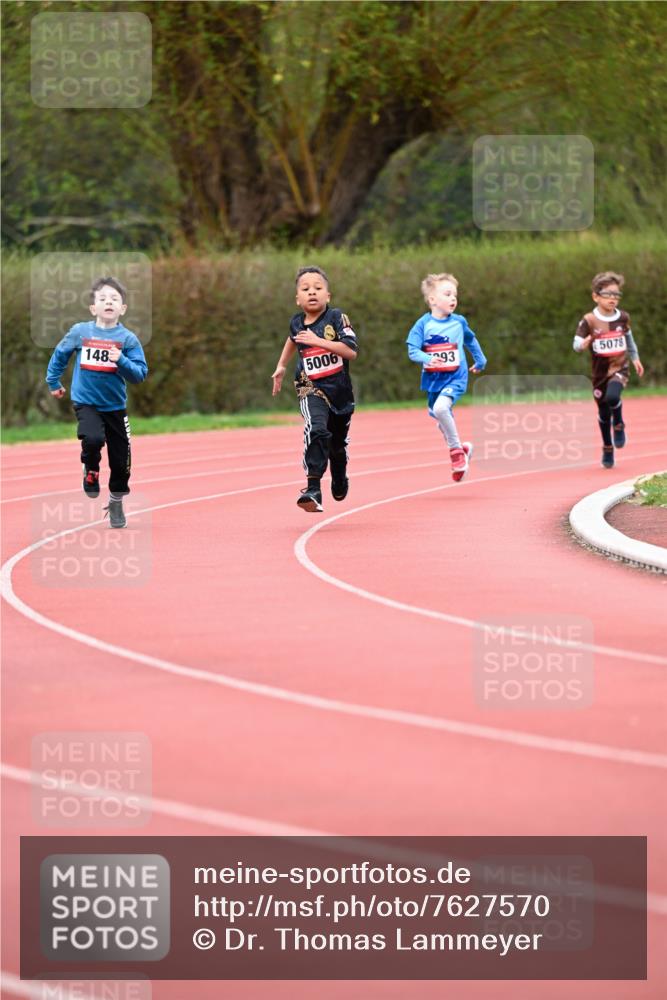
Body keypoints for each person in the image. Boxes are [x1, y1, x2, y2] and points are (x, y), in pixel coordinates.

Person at [45, 276, 148, 527]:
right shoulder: (80, 332)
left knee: (121, 462)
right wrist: (53, 381)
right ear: (94, 308)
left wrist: (120, 359)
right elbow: (60, 354)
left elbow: (139, 374)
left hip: (115, 407)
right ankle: (90, 469)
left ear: (122, 308)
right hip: (86, 402)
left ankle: (115, 502)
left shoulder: (128, 340)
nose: (108, 302)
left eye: (114, 299)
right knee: (92, 439)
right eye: (102, 299)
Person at [271, 266, 358, 512]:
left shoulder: (337, 318)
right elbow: (292, 339)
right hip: (310, 387)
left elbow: (351, 351)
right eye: (306, 289)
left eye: (318, 288)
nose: (312, 293)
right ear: (297, 298)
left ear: (328, 296)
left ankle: (339, 473)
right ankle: (312, 488)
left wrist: (319, 341)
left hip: (340, 392)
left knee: (336, 445)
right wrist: (281, 366)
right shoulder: (296, 322)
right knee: (317, 429)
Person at [406, 272, 486, 481]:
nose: (453, 298)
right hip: (433, 380)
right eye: (447, 294)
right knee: (439, 414)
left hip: (456, 377)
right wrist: (426, 358)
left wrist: (480, 360)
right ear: (432, 300)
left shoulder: (459, 322)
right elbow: (412, 350)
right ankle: (462, 448)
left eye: (455, 295)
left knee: (442, 409)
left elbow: (470, 340)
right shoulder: (422, 325)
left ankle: (456, 454)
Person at [573, 271, 644, 469]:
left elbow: (629, 339)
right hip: (599, 374)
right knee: (603, 413)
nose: (613, 298)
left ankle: (619, 424)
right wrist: (583, 344)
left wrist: (635, 358)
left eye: (617, 295)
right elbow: (576, 344)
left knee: (613, 397)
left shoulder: (623, 318)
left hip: (619, 368)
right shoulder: (589, 320)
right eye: (608, 294)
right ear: (596, 296)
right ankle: (607, 446)